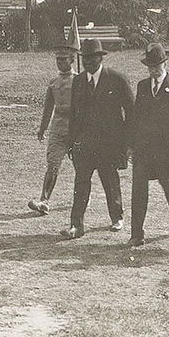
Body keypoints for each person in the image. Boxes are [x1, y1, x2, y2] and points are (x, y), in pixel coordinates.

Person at [62, 38, 134, 239]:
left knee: (110, 181)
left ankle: (117, 217)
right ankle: (76, 225)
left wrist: (127, 142)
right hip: (84, 145)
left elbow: (131, 112)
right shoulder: (78, 81)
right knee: (81, 184)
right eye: (85, 59)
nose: (89, 62)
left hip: (109, 145)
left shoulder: (117, 79)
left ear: (101, 58)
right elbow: (74, 114)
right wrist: (71, 142)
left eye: (93, 58)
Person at [128, 43, 169, 247]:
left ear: (165, 63)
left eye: (157, 66)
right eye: (150, 66)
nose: (153, 70)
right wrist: (131, 145)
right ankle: (137, 233)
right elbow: (136, 117)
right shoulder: (142, 86)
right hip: (143, 148)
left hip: (166, 148)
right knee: (138, 190)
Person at [29, 45, 77, 215]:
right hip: (58, 129)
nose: (60, 63)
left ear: (72, 60)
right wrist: (42, 128)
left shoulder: (80, 81)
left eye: (63, 59)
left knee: (82, 168)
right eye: (58, 60)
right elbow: (48, 108)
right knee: (53, 165)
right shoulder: (53, 83)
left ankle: (82, 198)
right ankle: (44, 200)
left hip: (76, 130)